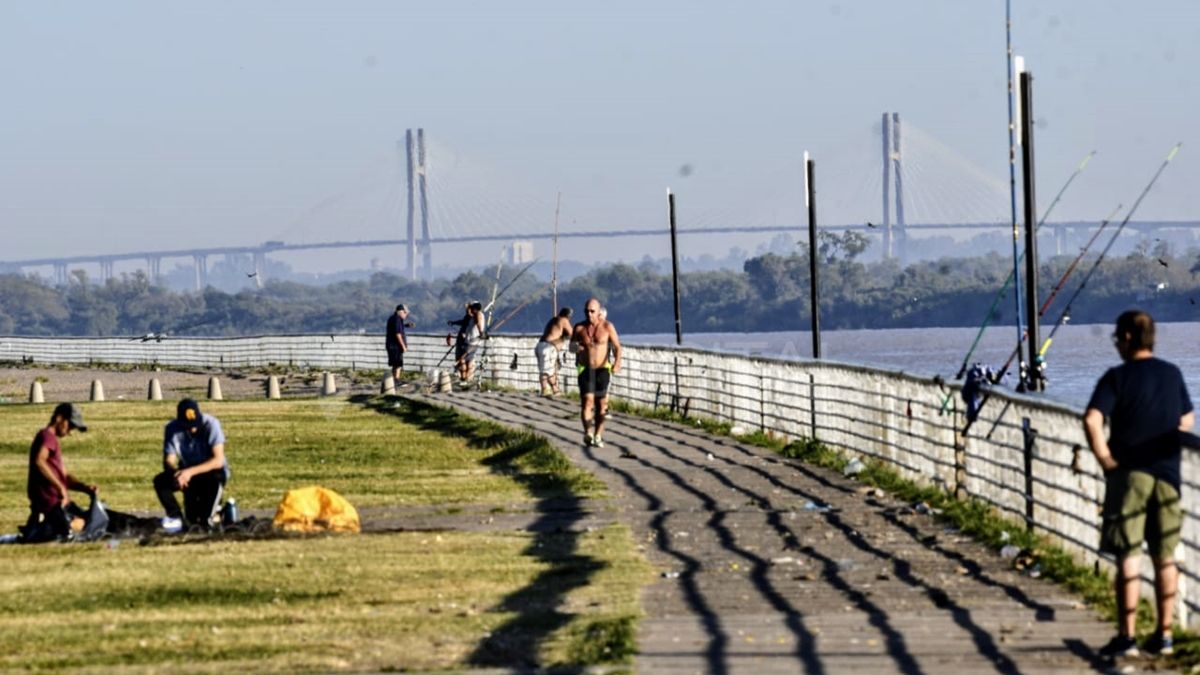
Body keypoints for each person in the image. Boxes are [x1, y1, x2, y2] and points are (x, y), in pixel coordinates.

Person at [1084, 310, 1194, 659]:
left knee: (1128, 557)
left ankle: (1127, 636)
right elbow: (1186, 419)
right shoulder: (1172, 373)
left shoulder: (1117, 378)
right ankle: (1164, 636)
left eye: (1117, 338)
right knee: (1166, 559)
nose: (1116, 343)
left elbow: (1092, 418)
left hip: (1129, 476)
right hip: (1168, 477)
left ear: (1128, 338)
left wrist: (1105, 460)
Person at [22, 403, 99, 542]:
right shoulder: (47, 437)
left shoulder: (51, 439)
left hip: (58, 502)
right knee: (71, 530)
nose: (69, 432)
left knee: (92, 520)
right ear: (59, 418)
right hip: (51, 503)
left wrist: (84, 488)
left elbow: (64, 476)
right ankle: (38, 528)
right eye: (70, 426)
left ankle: (37, 525)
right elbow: (39, 461)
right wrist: (60, 487)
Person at [155, 398, 230, 532]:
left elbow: (218, 460)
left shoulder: (211, 424)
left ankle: (216, 515)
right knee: (160, 481)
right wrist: (175, 473)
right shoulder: (172, 429)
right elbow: (169, 460)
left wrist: (189, 472)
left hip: (210, 473)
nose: (193, 428)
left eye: (195, 424)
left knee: (204, 521)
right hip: (187, 475)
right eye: (188, 426)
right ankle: (176, 518)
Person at [570, 298, 622, 448]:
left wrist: (617, 362)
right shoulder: (579, 328)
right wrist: (576, 348)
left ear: (599, 312)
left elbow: (617, 346)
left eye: (592, 311)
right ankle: (588, 432)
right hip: (585, 369)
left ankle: (598, 435)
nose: (589, 314)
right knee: (587, 401)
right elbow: (571, 346)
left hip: (602, 369)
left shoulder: (607, 327)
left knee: (601, 404)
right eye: (586, 311)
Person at [535, 307, 573, 396]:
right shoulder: (563, 320)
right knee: (546, 371)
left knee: (549, 369)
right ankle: (544, 390)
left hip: (540, 345)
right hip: (548, 347)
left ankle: (555, 390)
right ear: (568, 316)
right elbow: (572, 332)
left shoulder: (553, 320)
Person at [449, 301, 485, 382]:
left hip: (470, 343)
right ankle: (466, 379)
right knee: (468, 361)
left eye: (471, 308)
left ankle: (464, 378)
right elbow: (465, 322)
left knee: (462, 360)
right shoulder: (473, 316)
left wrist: (481, 333)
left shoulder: (477, 314)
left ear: (474, 309)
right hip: (473, 343)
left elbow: (478, 322)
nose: (469, 309)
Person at [385, 304, 410, 381]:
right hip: (395, 346)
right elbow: (398, 334)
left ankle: (393, 381)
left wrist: (405, 325)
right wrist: (403, 346)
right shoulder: (398, 319)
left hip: (390, 345)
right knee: (398, 364)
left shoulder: (392, 318)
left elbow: (395, 328)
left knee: (395, 365)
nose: (406, 315)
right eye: (405, 313)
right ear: (401, 312)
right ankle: (396, 380)